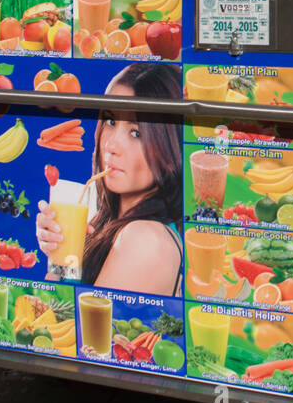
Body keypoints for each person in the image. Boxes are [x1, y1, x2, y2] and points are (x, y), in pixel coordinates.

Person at [36, 63, 184, 296]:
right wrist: (61, 255)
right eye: (111, 122)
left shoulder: (144, 239)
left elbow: (72, 318)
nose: (111, 145)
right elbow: (56, 307)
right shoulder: (110, 223)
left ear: (169, 147)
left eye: (136, 133)